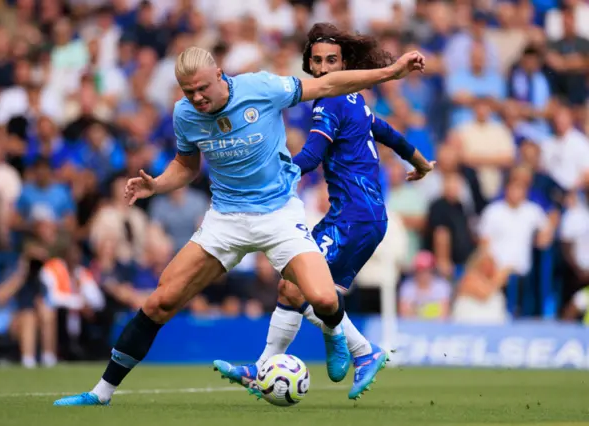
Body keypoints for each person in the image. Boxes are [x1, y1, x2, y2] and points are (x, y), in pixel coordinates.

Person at [53, 40, 425, 406]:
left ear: (220, 74)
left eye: (202, 88)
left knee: (324, 297)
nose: (197, 97)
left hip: (278, 214)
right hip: (226, 219)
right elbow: (187, 165)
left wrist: (391, 72)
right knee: (160, 302)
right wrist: (157, 184)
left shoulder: (260, 87)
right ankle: (101, 392)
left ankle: (345, 342)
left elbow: (327, 85)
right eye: (189, 91)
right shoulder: (184, 114)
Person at [213, 23, 434, 400]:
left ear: (344, 62)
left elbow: (313, 155)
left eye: (332, 60)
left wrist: (276, 174)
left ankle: (364, 352)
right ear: (309, 66)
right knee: (292, 285)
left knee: (305, 288)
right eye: (317, 62)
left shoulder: (329, 101)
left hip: (353, 216)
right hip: (360, 215)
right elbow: (388, 133)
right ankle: (264, 365)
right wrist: (420, 162)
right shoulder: (356, 100)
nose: (324, 68)